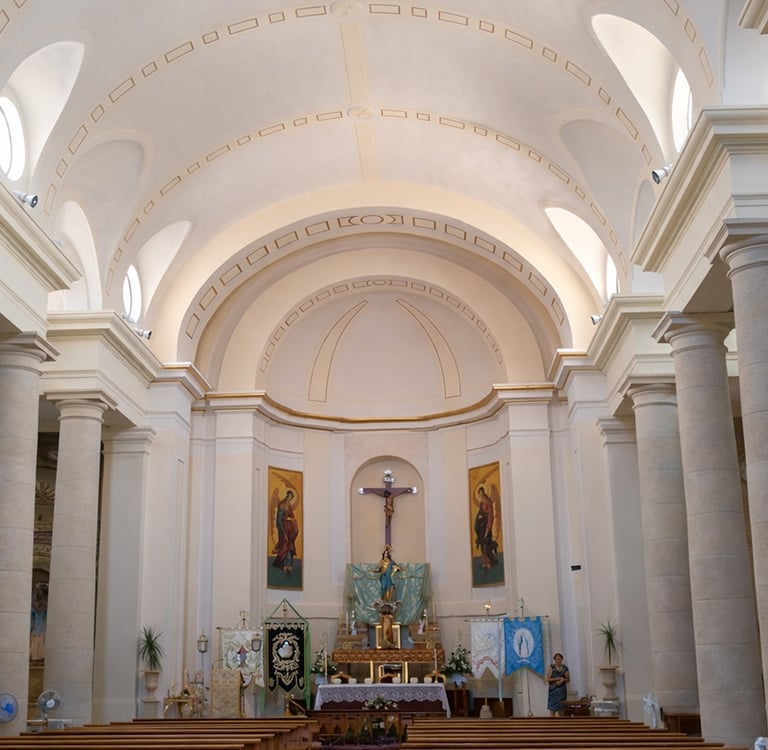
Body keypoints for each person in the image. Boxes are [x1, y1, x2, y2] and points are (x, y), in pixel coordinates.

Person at [272, 488, 299, 574]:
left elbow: (291, 516)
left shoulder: (289, 505)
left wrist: (292, 521)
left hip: (290, 530)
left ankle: (289, 564)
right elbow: (279, 520)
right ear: (287, 495)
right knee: (285, 546)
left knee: (290, 545)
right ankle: (282, 564)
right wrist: (282, 531)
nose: (290, 498)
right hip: (283, 528)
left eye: (292, 497)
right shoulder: (282, 505)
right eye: (290, 496)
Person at [473, 484, 499, 569]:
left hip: (486, 527)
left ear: (484, 493)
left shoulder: (488, 503)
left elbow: (490, 516)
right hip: (481, 528)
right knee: (482, 544)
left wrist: (488, 529)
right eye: (479, 495)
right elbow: (480, 512)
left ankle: (490, 562)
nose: (480, 496)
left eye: (481, 494)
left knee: (486, 545)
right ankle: (484, 562)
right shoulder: (481, 503)